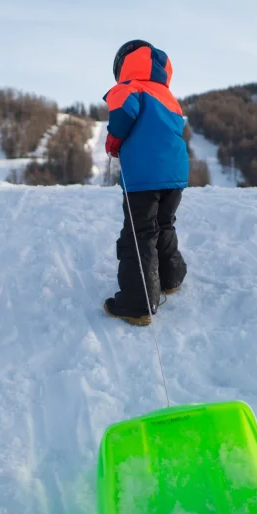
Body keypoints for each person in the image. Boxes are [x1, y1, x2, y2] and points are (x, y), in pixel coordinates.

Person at [103, 40, 189, 326]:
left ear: (123, 65)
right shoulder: (167, 96)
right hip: (175, 173)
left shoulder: (128, 88)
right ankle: (170, 278)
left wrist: (113, 142)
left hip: (144, 174)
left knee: (139, 233)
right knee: (163, 224)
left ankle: (136, 304)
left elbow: (122, 116)